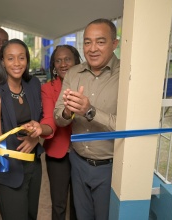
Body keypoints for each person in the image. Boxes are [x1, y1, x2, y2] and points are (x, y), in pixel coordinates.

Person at [54, 18, 120, 220]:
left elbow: (129, 127)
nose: (92, 49)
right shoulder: (74, 73)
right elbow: (59, 118)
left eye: (100, 42)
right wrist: (68, 112)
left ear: (114, 43)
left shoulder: (127, 75)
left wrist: (90, 111)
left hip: (111, 167)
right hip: (79, 163)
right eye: (87, 42)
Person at [0, 38, 44, 220]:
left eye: (21, 58)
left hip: (33, 164)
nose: (17, 63)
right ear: (3, 62)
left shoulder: (33, 85)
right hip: (6, 169)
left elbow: (41, 118)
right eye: (10, 58)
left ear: (27, 60)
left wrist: (35, 137)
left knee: (31, 215)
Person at [40, 45, 81, 220]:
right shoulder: (48, 88)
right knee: (59, 203)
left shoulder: (85, 85)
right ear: (54, 66)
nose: (63, 64)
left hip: (83, 152)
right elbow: (50, 118)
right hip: (58, 152)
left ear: (76, 61)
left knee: (78, 203)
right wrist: (41, 129)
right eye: (58, 60)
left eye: (67, 59)